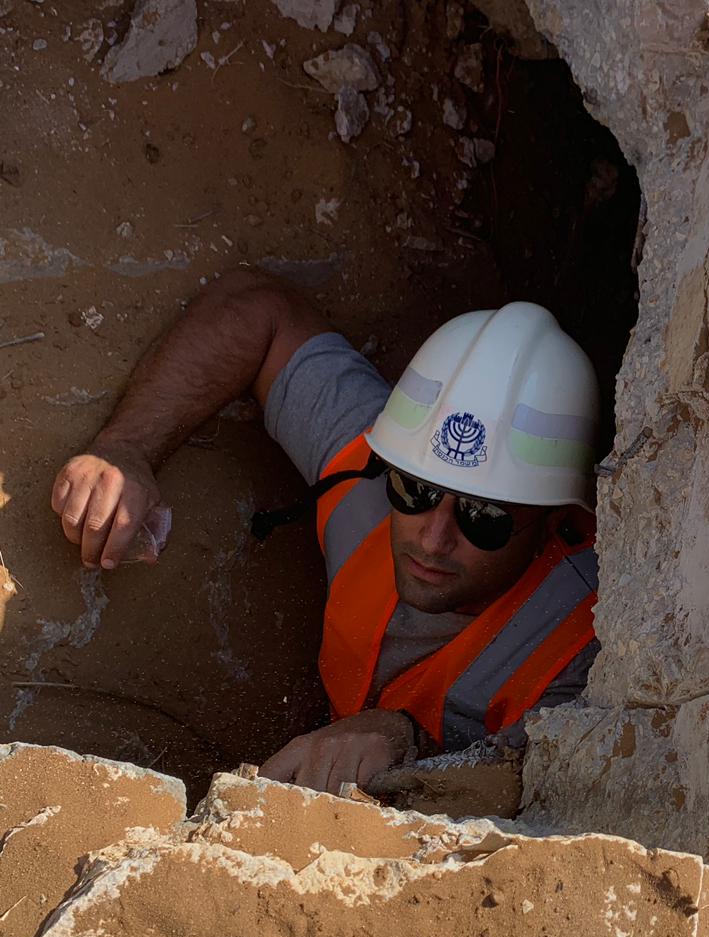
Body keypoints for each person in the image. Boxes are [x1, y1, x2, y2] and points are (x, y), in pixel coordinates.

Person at [49, 268, 600, 804]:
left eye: (484, 517)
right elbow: (260, 311)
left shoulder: (583, 642)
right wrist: (126, 448)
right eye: (416, 492)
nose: (433, 537)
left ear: (555, 523)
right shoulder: (370, 478)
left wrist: (403, 739)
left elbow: (537, 792)